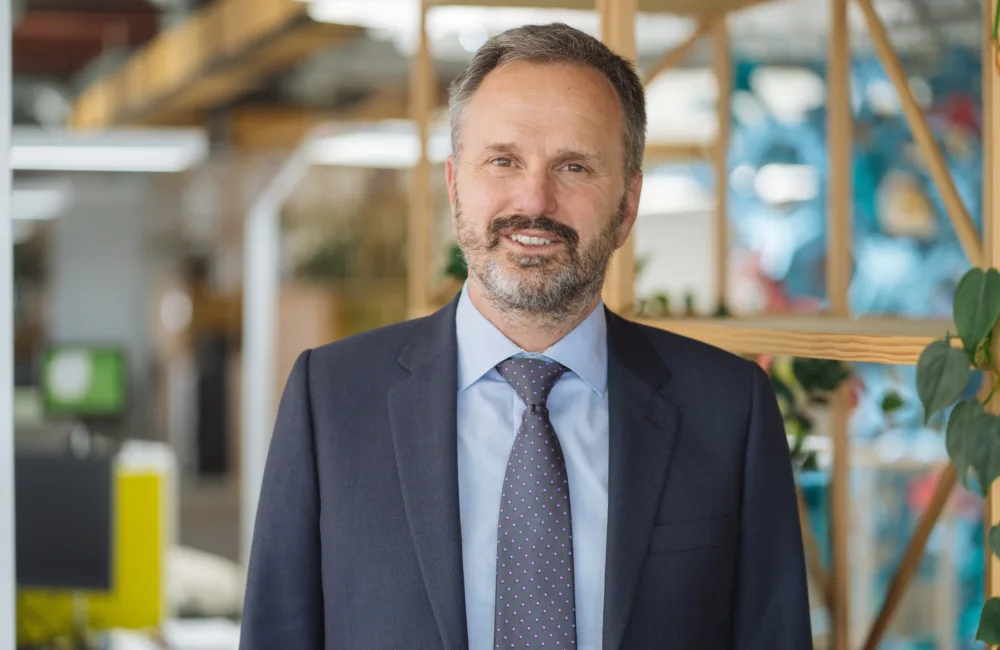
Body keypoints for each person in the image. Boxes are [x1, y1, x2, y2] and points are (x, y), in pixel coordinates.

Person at [239, 22, 812, 650]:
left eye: (574, 166)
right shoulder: (331, 400)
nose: (534, 200)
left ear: (626, 205)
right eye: (503, 161)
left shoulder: (729, 408)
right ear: (456, 187)